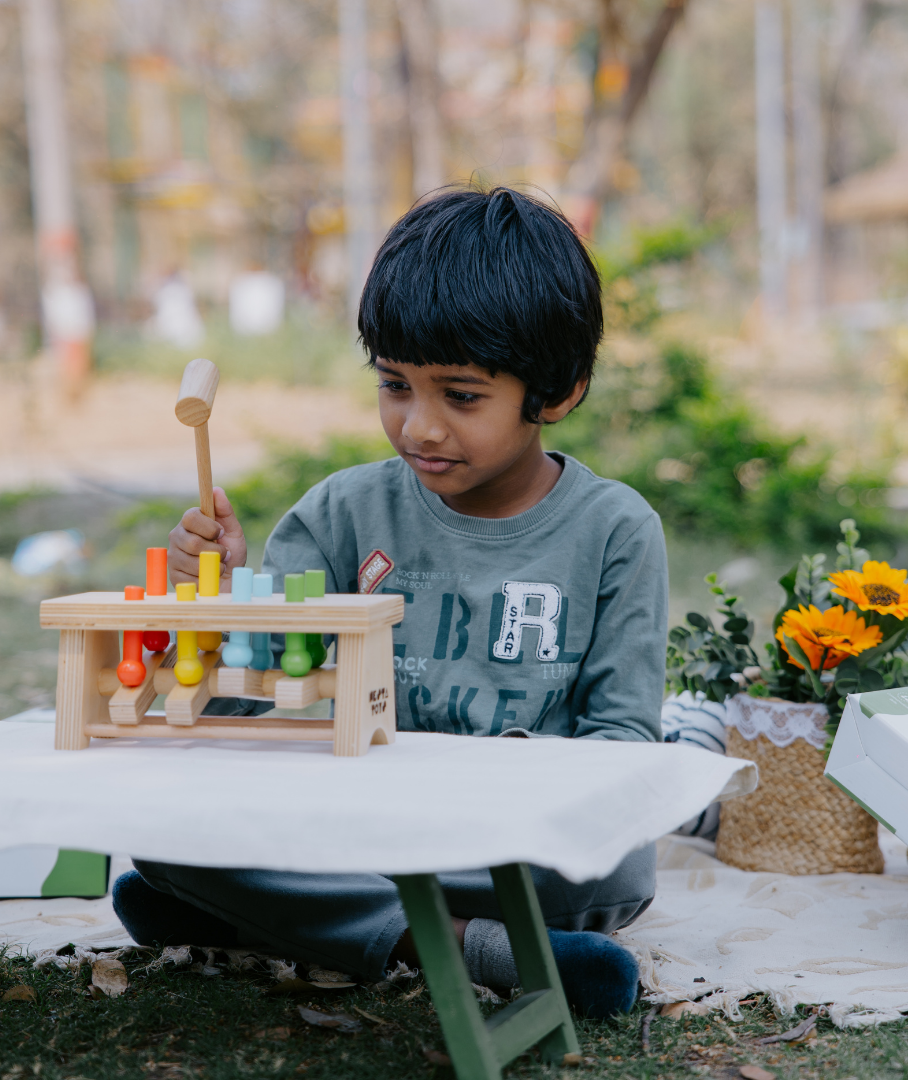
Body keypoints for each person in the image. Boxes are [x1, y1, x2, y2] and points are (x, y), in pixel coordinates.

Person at [112, 187, 667, 1018]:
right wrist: (220, 601)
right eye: (396, 385)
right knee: (163, 825)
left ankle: (284, 916)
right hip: (368, 831)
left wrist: (490, 777)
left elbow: (623, 746)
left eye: (463, 396)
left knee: (613, 864)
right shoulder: (340, 514)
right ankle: (472, 947)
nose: (420, 427)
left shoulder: (616, 531)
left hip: (521, 848)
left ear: (557, 392)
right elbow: (239, 710)